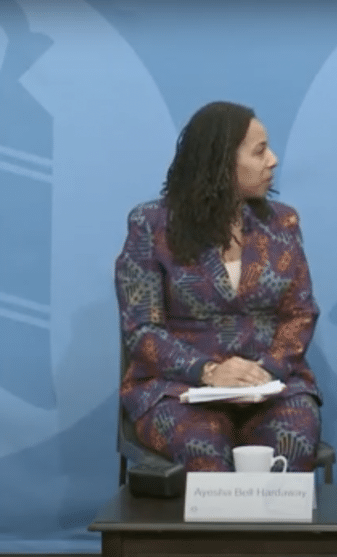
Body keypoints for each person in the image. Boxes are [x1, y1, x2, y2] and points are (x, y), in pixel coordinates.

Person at [115, 101, 321, 472]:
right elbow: (142, 329)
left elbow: (300, 314)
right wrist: (209, 372)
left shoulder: (282, 222)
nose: (273, 160)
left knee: (292, 440)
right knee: (204, 446)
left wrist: (265, 371)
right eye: (260, 151)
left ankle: (272, 532)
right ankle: (216, 534)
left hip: (269, 385)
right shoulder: (152, 225)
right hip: (178, 390)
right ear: (221, 162)